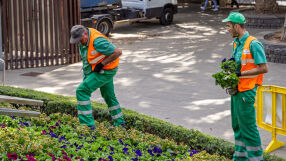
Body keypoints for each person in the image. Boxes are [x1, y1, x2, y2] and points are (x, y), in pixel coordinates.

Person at [222, 12, 268, 161]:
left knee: (248, 129)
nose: (227, 29)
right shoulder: (236, 42)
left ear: (236, 26)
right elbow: (237, 65)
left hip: (247, 92)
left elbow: (264, 68)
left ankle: (256, 159)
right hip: (236, 90)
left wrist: (240, 74)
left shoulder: (253, 43)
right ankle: (240, 158)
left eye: (229, 26)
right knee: (237, 126)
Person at [70, 25, 125, 130]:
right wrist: (86, 79)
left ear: (85, 34)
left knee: (81, 91)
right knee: (108, 95)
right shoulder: (84, 41)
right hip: (102, 70)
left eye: (80, 40)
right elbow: (87, 62)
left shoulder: (97, 41)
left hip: (106, 70)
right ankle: (120, 124)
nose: (79, 42)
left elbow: (118, 52)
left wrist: (102, 64)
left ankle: (88, 126)